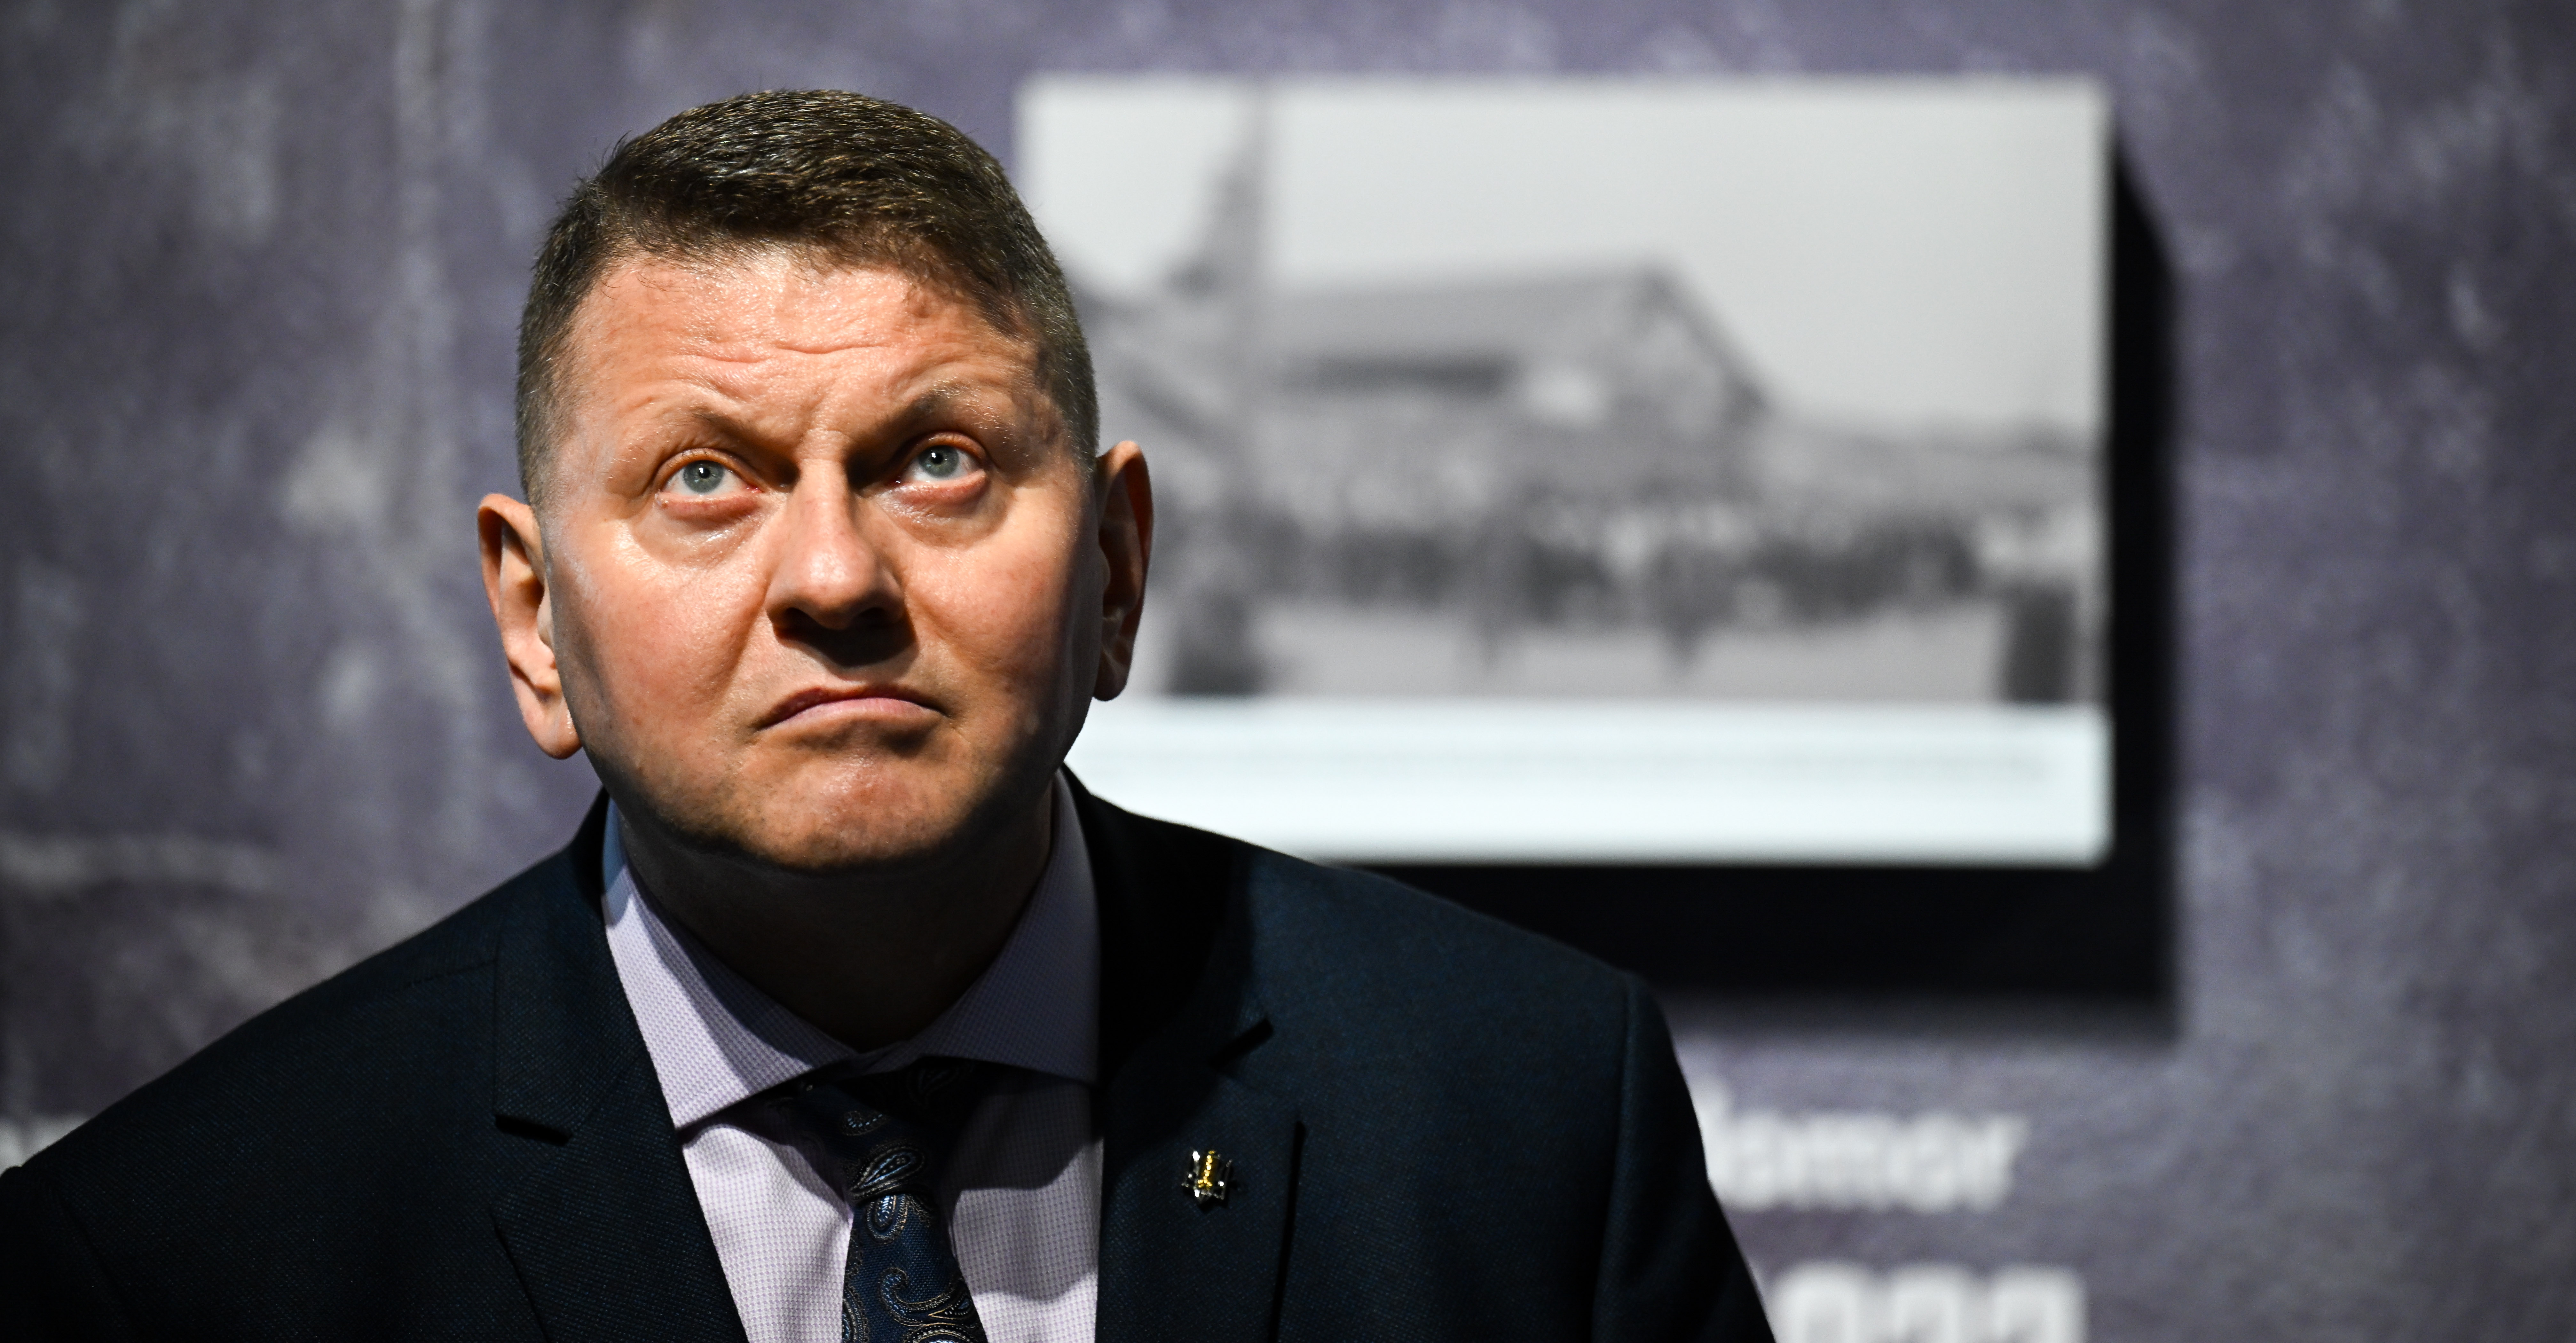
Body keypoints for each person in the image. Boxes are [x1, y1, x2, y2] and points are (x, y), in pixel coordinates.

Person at [0, 90, 1768, 1342]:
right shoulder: (181, 1257)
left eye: (940, 461)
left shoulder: (1525, 1118)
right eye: (707, 478)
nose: (835, 573)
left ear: (1117, 570)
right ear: (536, 622)